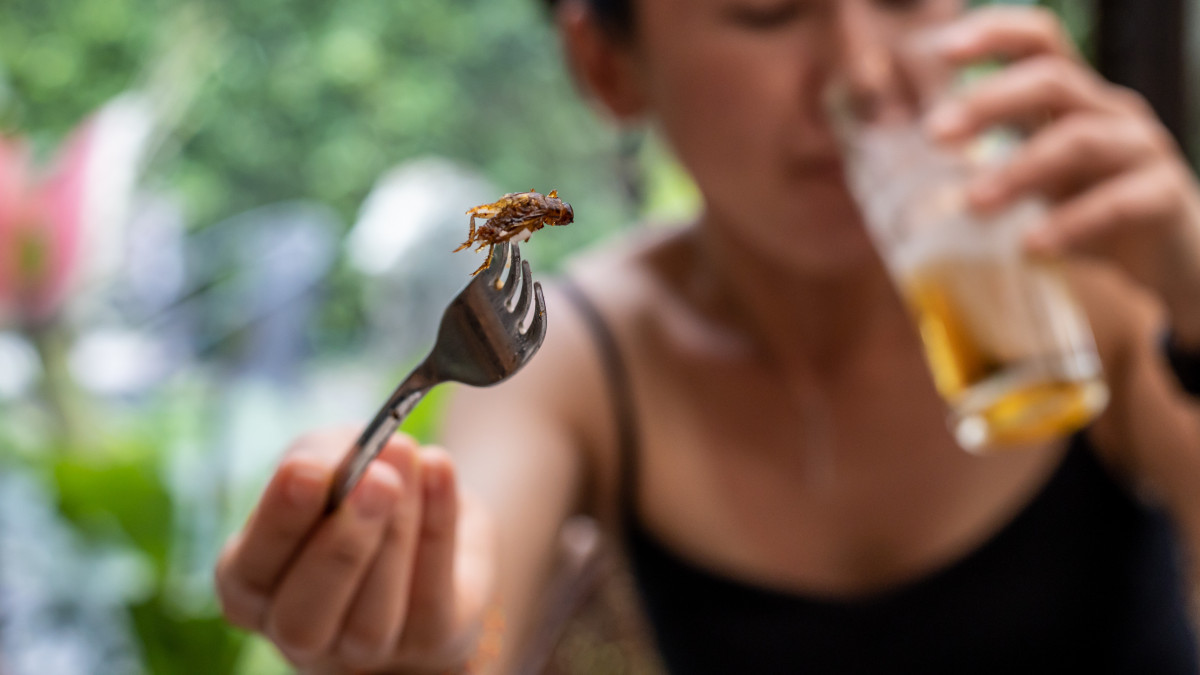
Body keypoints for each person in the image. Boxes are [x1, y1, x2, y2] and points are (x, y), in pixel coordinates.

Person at [214, 0, 1200, 672]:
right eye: (766, 8)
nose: (861, 72)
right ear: (606, 63)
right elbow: (476, 608)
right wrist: (410, 629)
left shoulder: (1091, 273)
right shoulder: (587, 358)